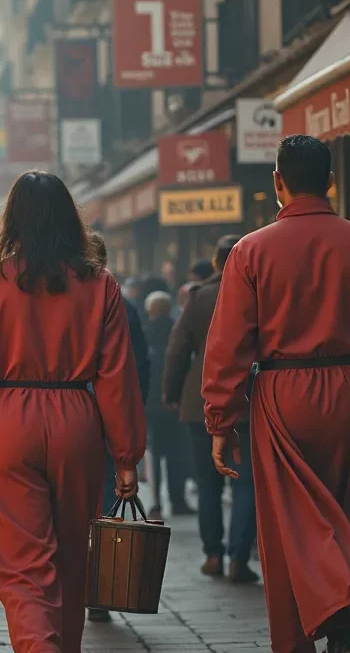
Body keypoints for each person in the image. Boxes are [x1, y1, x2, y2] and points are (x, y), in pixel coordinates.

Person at [202, 135, 350, 653]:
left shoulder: (250, 251)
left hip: (281, 397)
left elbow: (229, 346)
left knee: (289, 536)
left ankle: (299, 641)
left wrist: (221, 421)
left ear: (277, 182)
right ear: (330, 182)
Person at [0, 171, 146, 652]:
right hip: (78, 418)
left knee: (22, 565)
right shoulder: (100, 285)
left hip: (9, 421)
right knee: (73, 559)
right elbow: (117, 376)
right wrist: (126, 457)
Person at [164, 234, 258, 584]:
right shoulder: (258, 291)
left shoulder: (199, 296)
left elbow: (177, 350)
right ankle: (238, 557)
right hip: (249, 400)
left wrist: (171, 392)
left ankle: (213, 555)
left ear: (217, 263)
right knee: (245, 482)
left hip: (200, 400)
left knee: (207, 483)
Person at [87, 234, 151, 624]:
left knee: (80, 508)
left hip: (74, 411)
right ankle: (99, 592)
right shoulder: (121, 304)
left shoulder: (67, 295)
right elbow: (137, 366)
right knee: (107, 501)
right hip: (111, 416)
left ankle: (83, 587)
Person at [144, 290, 194, 520]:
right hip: (175, 402)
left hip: (150, 405)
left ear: (150, 311)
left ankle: (155, 503)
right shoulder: (178, 331)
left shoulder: (144, 333)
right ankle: (178, 499)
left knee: (153, 455)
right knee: (177, 453)